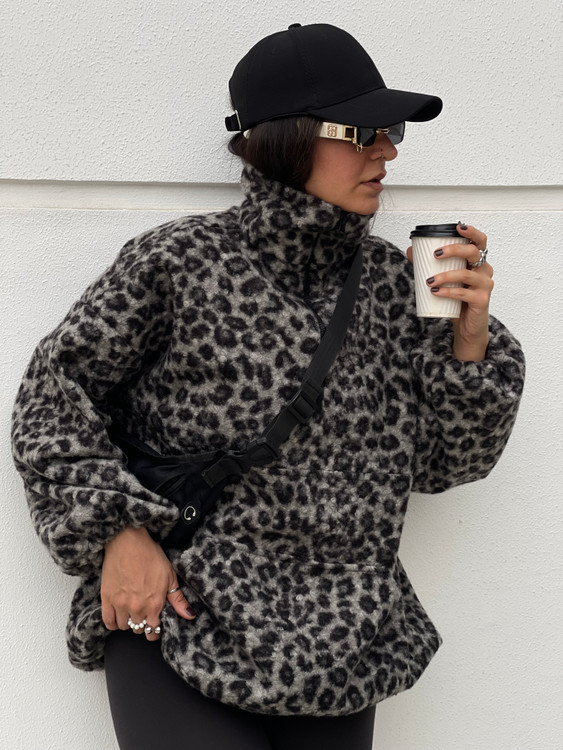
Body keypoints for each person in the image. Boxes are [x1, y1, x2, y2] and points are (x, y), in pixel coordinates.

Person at [11, 22, 525, 750]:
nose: (387, 151)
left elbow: (448, 465)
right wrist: (116, 532)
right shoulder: (181, 262)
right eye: (363, 132)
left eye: (392, 132)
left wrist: (467, 347)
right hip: (184, 617)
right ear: (285, 140)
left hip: (340, 644)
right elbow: (51, 398)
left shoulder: (393, 286)